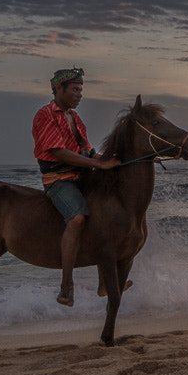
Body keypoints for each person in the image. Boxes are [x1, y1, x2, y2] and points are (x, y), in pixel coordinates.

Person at [32, 68, 120, 307]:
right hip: (58, 180)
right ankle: (66, 286)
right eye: (75, 89)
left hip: (81, 176)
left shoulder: (75, 119)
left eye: (81, 90)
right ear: (58, 89)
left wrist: (110, 162)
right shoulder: (45, 115)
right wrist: (96, 164)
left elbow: (88, 151)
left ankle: (105, 283)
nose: (80, 94)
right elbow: (59, 152)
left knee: (108, 211)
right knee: (78, 219)